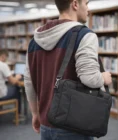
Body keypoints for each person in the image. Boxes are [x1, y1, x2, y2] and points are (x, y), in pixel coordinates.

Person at [24, 0, 112, 140]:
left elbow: (29, 82)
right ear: (75, 4)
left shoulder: (34, 41)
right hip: (73, 125)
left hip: (46, 123)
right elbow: (89, 78)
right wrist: (104, 77)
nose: (88, 9)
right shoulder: (84, 35)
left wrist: (35, 113)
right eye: (86, 3)